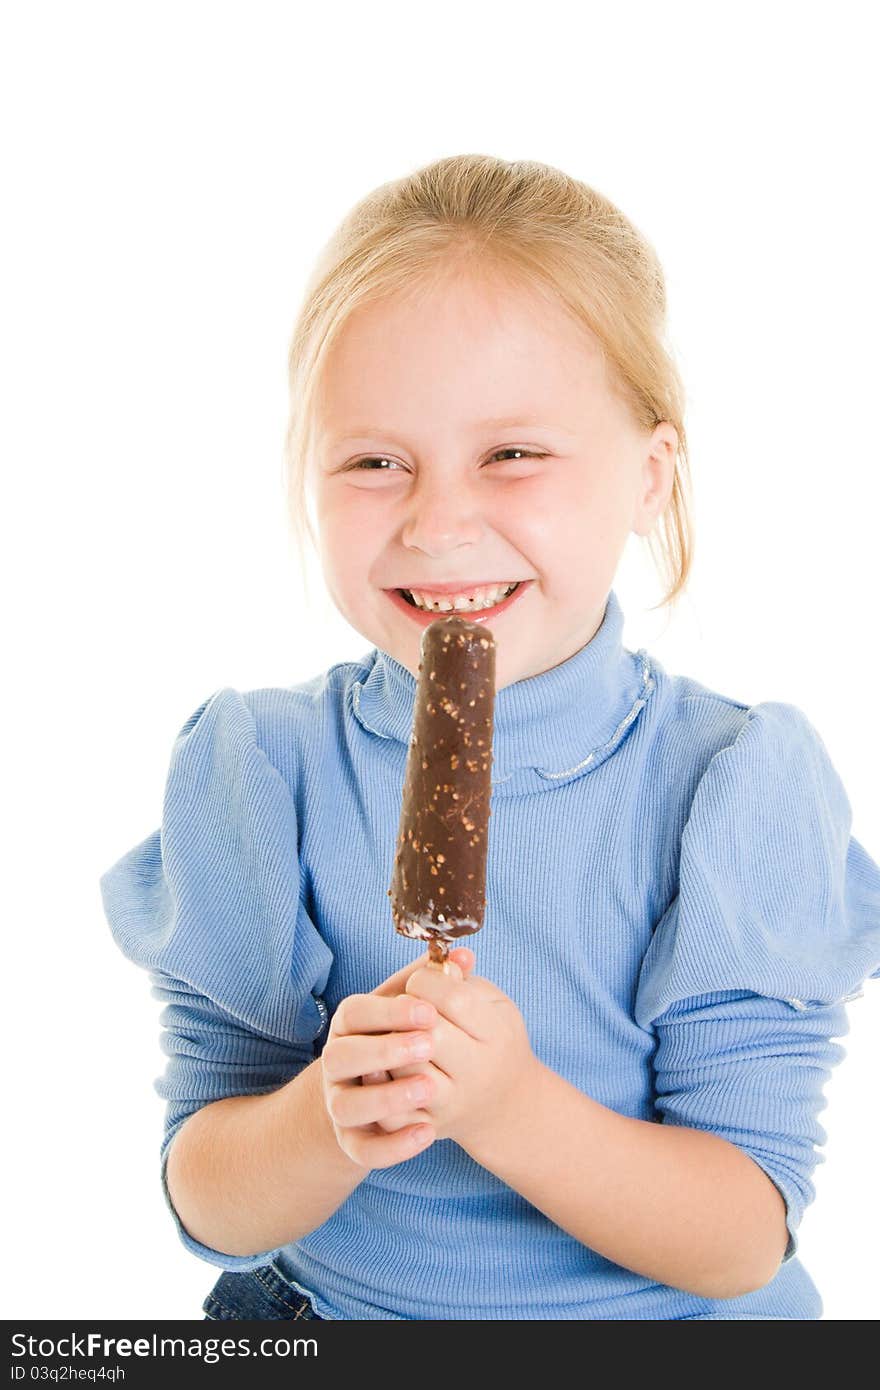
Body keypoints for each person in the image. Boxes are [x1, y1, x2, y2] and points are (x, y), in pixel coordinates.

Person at [99, 153, 880, 1321]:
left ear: (649, 476)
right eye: (374, 461)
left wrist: (511, 1108)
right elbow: (207, 1194)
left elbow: (739, 1239)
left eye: (512, 454)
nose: (438, 520)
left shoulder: (726, 786)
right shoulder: (263, 771)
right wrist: (325, 1118)